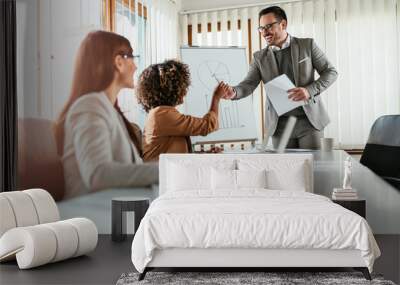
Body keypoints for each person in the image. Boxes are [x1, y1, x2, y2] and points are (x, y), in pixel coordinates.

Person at [54, 30, 158, 199]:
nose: (136, 66)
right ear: (119, 62)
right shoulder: (90, 106)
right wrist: (164, 171)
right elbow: (98, 175)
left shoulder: (110, 111)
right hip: (92, 212)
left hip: (116, 207)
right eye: (133, 58)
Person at [222, 6, 338, 149]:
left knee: (313, 167)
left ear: (283, 24)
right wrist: (234, 92)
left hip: (310, 123)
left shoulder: (307, 45)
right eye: (261, 28)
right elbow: (248, 84)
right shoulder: (259, 58)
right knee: (285, 170)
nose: (264, 32)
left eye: (269, 26)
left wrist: (309, 91)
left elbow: (331, 72)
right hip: (279, 126)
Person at [136, 59, 228, 161]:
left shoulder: (160, 113)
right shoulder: (161, 115)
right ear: (171, 89)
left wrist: (205, 154)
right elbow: (207, 125)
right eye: (182, 86)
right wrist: (216, 97)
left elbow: (175, 153)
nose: (185, 91)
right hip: (158, 176)